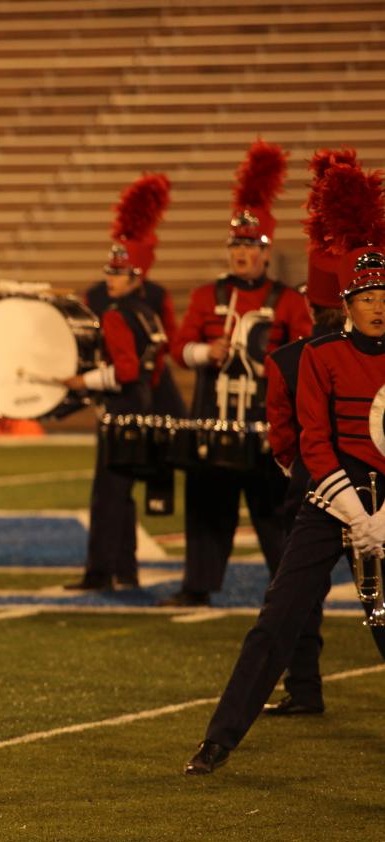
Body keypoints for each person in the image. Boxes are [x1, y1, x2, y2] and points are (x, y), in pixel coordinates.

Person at [185, 160, 385, 775]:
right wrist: (356, 514)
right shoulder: (319, 357)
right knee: (277, 619)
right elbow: (313, 445)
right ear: (346, 304)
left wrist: (382, 519)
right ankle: (219, 740)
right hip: (330, 502)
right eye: (367, 298)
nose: (378, 307)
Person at [162, 140, 311, 607]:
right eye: (236, 245)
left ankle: (288, 588)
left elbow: (306, 352)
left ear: (266, 253)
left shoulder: (287, 300)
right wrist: (207, 351)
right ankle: (197, 585)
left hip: (266, 423)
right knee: (207, 508)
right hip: (214, 417)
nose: (241, 254)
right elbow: (178, 350)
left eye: (250, 246)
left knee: (274, 512)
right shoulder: (208, 296)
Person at [64, 173, 184, 591]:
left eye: (119, 273)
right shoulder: (146, 311)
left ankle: (101, 573)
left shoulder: (116, 312)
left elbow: (126, 368)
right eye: (110, 272)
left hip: (122, 410)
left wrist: (85, 380)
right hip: (146, 404)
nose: (110, 279)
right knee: (122, 494)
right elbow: (157, 356)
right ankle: (125, 570)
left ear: (135, 276)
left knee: (108, 495)